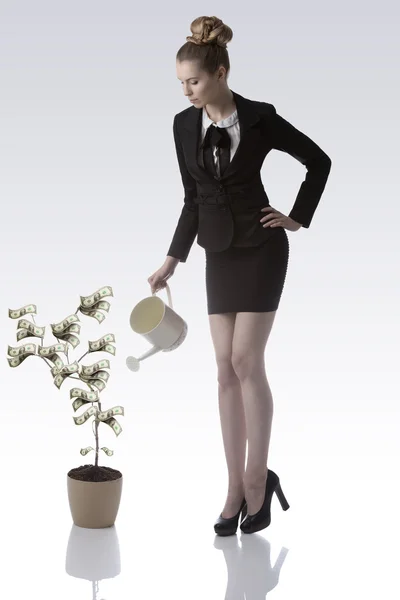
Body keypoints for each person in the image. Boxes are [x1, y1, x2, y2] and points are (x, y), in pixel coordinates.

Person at [148, 16, 332, 535]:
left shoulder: (259, 118)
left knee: (246, 359)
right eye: (181, 82)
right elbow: (192, 198)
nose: (187, 90)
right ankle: (234, 488)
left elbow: (318, 161)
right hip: (216, 252)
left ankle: (258, 477)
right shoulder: (184, 125)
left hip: (261, 248)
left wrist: (297, 216)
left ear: (221, 72)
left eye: (195, 81)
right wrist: (172, 258)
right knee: (223, 369)